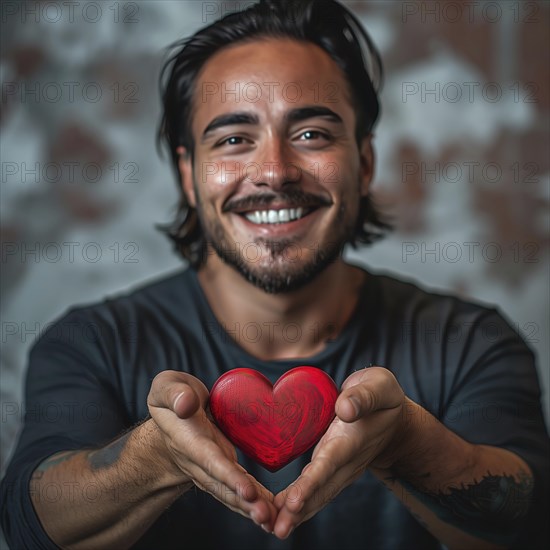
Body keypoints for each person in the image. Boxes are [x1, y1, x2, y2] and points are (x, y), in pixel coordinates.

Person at [1, 0, 548, 548]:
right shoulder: (90, 343)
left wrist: (409, 444)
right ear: (189, 177)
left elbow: (532, 524)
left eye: (311, 133)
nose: (274, 171)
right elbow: (29, 528)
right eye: (234, 139)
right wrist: (154, 460)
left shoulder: (470, 342)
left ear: (364, 164)